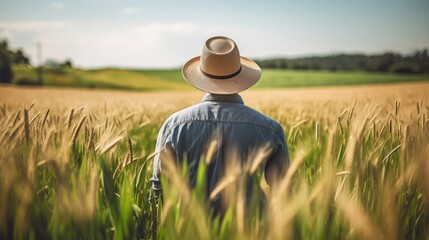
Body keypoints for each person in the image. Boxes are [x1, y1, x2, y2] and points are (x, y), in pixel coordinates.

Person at [150, 36, 289, 215]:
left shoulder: (174, 126)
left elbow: (159, 187)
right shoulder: (270, 129)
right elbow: (284, 190)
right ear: (240, 77)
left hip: (189, 229)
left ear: (202, 78)